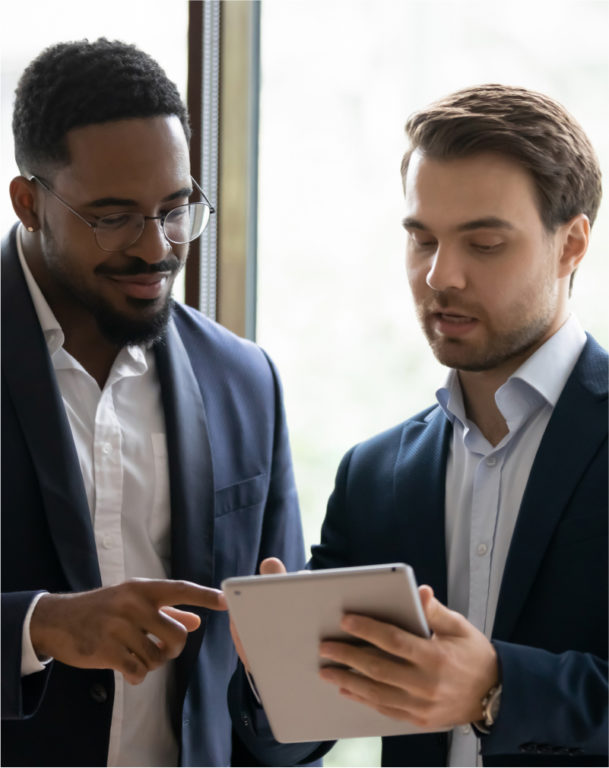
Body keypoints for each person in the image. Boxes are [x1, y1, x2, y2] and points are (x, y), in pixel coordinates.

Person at [1, 39, 328, 768]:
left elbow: (285, 719)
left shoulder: (246, 381)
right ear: (29, 202)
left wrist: (298, 674)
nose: (157, 248)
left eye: (175, 209)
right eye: (112, 218)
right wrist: (38, 627)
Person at [299, 84, 607, 766]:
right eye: (421, 240)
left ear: (572, 244)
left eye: (484, 243)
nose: (440, 276)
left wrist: (497, 688)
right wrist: (277, 671)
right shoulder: (370, 475)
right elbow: (287, 741)